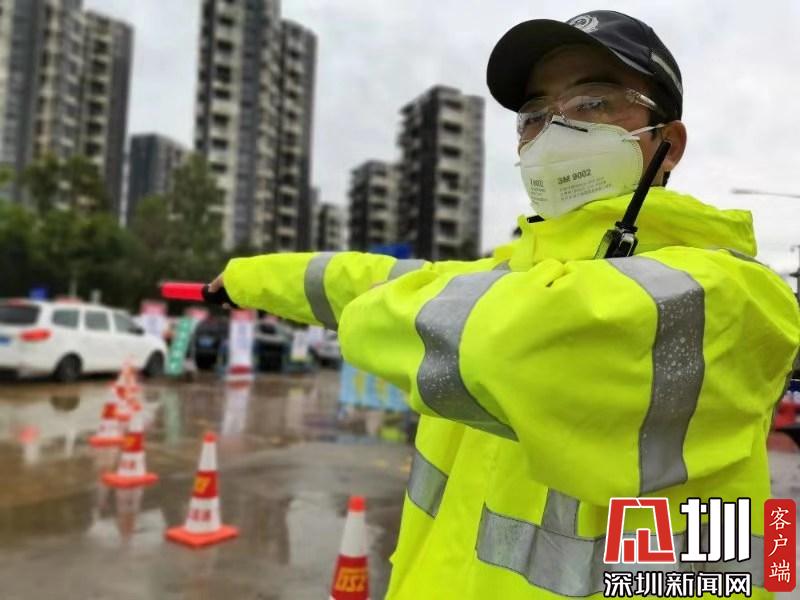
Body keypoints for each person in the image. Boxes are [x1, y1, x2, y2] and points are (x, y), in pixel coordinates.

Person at [210, 10, 799, 599]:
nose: (554, 131)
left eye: (592, 102)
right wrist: (242, 278)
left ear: (667, 145)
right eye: (534, 115)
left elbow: (507, 344)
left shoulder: (736, 297)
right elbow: (360, 279)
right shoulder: (509, 276)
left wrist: (373, 317)